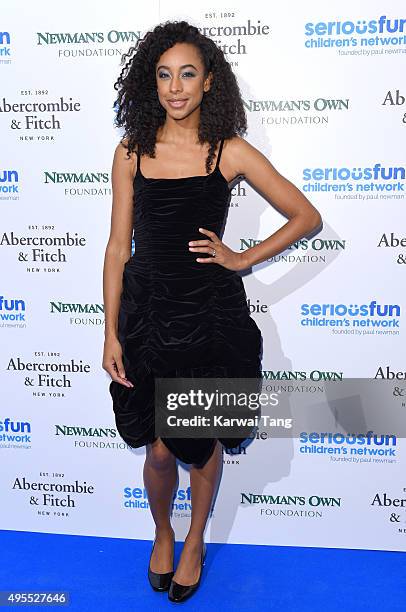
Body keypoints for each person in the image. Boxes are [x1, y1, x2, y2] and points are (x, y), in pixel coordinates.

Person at [102, 20, 322, 603]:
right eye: (164, 74)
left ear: (208, 83)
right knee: (157, 448)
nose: (175, 87)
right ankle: (163, 530)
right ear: (152, 84)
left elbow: (306, 216)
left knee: (200, 440)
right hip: (148, 314)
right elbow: (116, 247)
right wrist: (109, 332)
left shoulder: (230, 151)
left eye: (188, 74)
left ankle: (196, 539)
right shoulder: (130, 152)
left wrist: (242, 256)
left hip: (209, 315)